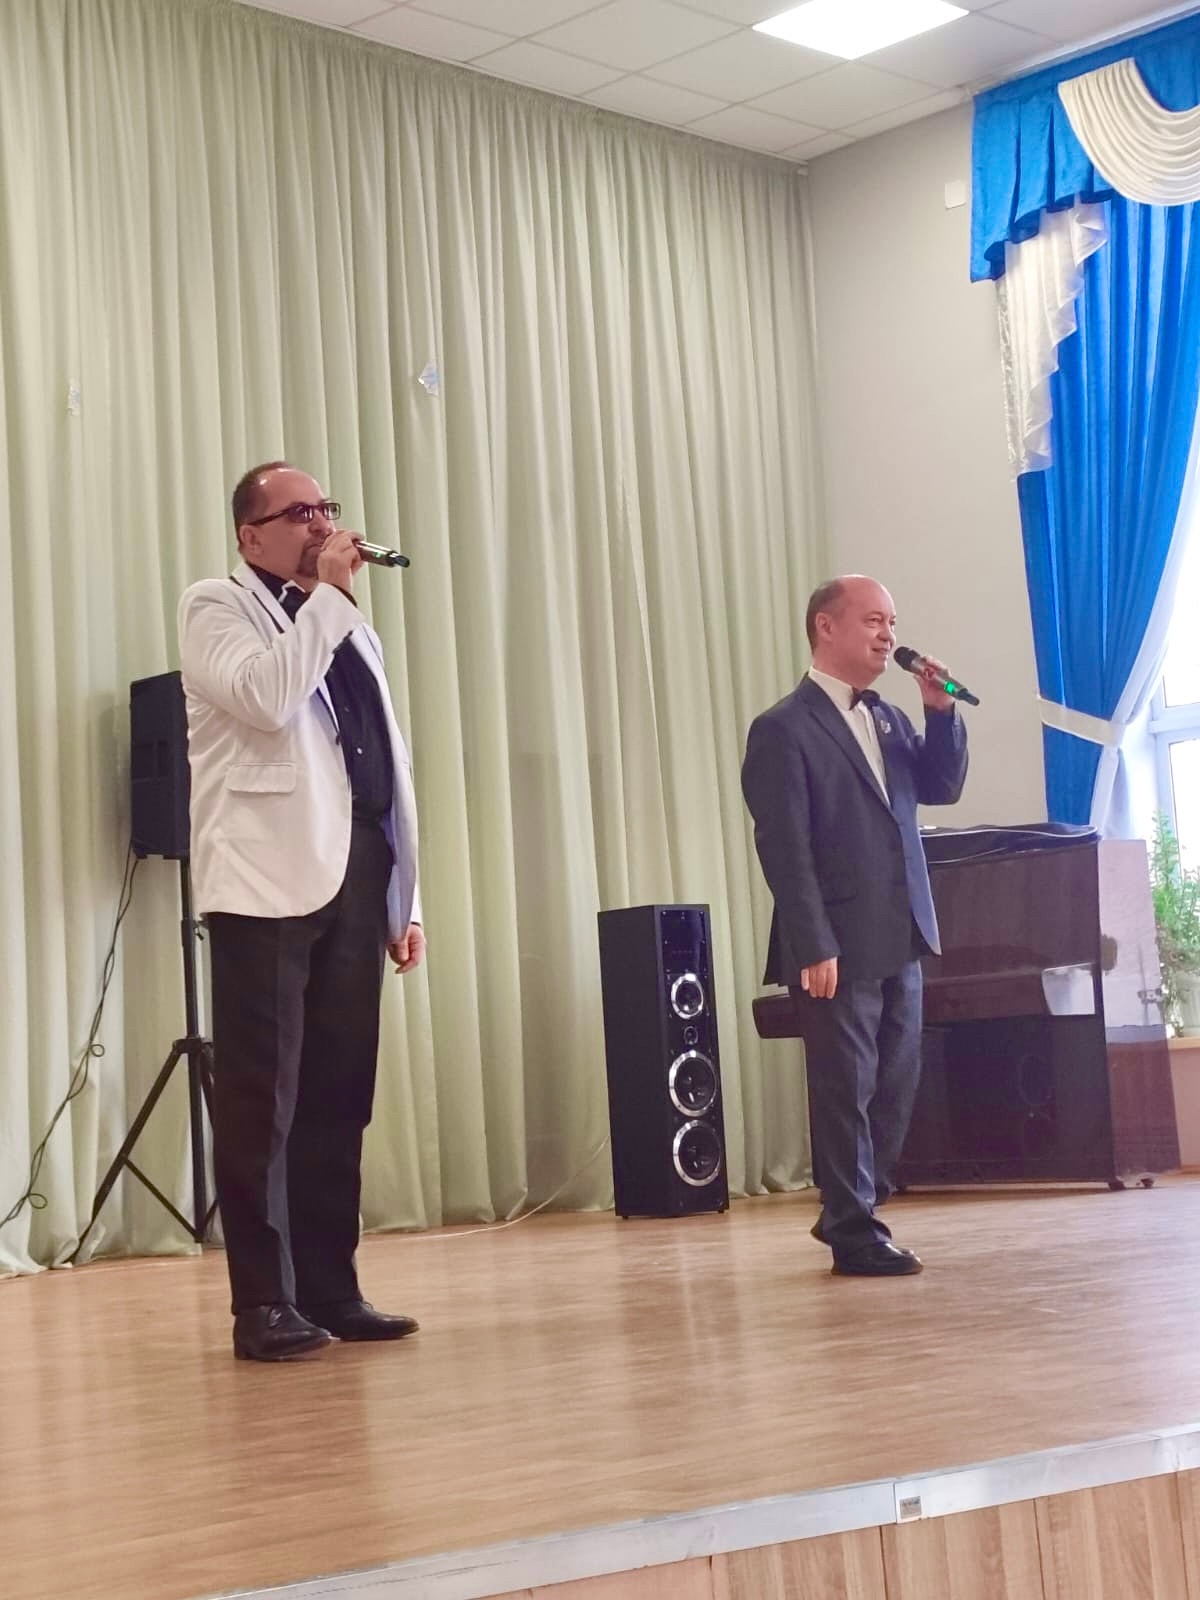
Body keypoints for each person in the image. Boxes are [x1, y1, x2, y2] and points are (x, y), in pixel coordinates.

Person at [178, 461, 424, 1360]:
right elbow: (265, 699)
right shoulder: (216, 605)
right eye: (299, 513)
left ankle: (332, 1288)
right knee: (263, 1102)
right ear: (251, 535)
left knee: (338, 1095)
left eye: (327, 509)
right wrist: (328, 598)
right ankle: (264, 1303)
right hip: (265, 884)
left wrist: (406, 898)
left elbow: (383, 762)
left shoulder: (347, 626)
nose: (322, 524)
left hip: (358, 873)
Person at [741, 576, 967, 1276]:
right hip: (835, 943)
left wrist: (940, 714)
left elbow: (942, 788)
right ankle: (853, 1232)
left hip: (902, 932)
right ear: (825, 626)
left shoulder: (890, 718)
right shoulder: (783, 728)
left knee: (895, 1085)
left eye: (892, 622)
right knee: (845, 1089)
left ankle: (856, 1206)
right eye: (873, 620)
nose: (888, 635)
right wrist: (813, 942)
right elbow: (783, 845)